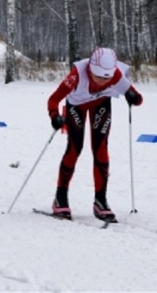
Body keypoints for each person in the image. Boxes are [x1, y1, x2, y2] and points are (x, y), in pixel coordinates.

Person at [47, 47, 143, 222]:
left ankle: (100, 200)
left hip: (101, 103)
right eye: (97, 76)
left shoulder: (114, 75)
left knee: (100, 149)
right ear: (90, 69)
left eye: (105, 78)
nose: (100, 82)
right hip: (76, 105)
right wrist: (55, 116)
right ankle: (60, 198)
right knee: (75, 148)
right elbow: (53, 99)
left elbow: (138, 98)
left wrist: (132, 97)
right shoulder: (77, 74)